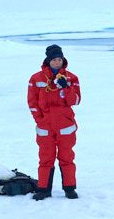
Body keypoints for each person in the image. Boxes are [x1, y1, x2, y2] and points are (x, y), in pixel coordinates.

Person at [28, 44, 81, 200]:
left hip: (66, 126)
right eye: (54, 59)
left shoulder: (71, 78)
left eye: (60, 59)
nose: (57, 62)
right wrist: (40, 119)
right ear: (48, 60)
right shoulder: (36, 78)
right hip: (45, 126)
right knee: (45, 158)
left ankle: (69, 189)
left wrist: (66, 88)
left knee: (67, 158)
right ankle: (44, 189)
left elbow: (76, 100)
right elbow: (32, 102)